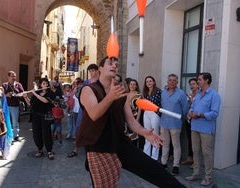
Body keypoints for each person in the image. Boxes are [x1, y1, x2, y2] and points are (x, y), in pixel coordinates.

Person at [76, 57, 186, 188]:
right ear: (100, 68)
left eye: (116, 65)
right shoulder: (88, 89)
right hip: (98, 147)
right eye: (110, 63)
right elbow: (94, 114)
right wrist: (110, 97)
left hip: (119, 142)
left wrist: (145, 132)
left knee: (154, 170)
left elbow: (131, 121)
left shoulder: (121, 93)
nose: (114, 66)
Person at [185, 72, 221, 186]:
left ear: (206, 80)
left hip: (206, 129)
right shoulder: (198, 94)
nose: (198, 81)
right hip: (194, 127)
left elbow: (214, 113)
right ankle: (196, 173)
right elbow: (192, 106)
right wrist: (190, 111)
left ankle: (208, 177)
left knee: (206, 153)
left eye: (199, 79)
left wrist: (200, 115)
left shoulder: (214, 95)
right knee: (195, 151)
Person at [160, 73, 189, 175]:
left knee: (176, 145)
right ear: (167, 81)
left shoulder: (181, 94)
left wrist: (181, 118)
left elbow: (185, 109)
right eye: (170, 80)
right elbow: (161, 106)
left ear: (177, 82)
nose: (172, 82)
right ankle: (163, 163)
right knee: (165, 144)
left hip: (175, 124)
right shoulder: (163, 93)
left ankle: (176, 165)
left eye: (174, 80)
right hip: (164, 123)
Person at [68, 64, 99, 158]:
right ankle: (76, 148)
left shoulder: (100, 82)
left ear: (97, 71)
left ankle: (94, 150)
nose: (92, 73)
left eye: (93, 71)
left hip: (96, 108)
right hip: (84, 108)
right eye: (90, 71)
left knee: (94, 128)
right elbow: (79, 95)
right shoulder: (86, 82)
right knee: (79, 127)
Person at [24, 78, 55, 160]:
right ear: (40, 85)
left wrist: (35, 93)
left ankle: (49, 151)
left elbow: (45, 101)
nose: (45, 85)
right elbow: (30, 104)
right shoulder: (37, 93)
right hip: (36, 116)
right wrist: (25, 97)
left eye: (46, 83)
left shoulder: (50, 93)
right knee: (36, 133)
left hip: (45, 116)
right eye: (43, 83)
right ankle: (40, 149)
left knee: (46, 133)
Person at [142, 76, 162, 160]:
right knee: (147, 133)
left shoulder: (158, 91)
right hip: (146, 113)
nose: (149, 83)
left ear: (153, 82)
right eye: (147, 82)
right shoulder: (145, 92)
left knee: (155, 134)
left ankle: (154, 157)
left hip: (155, 113)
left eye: (150, 81)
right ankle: (146, 155)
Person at [181, 78, 199, 167]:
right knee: (190, 139)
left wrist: (192, 101)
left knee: (196, 141)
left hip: (196, 120)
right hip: (188, 120)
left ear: (198, 85)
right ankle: (190, 158)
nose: (192, 86)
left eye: (193, 84)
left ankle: (196, 161)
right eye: (190, 84)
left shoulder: (200, 95)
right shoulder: (189, 95)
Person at [2, 71, 24, 141]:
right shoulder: (4, 85)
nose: (13, 78)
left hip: (15, 106)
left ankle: (15, 135)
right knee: (6, 121)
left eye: (14, 76)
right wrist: (6, 95)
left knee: (15, 122)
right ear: (8, 77)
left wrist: (19, 95)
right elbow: (1, 95)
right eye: (12, 76)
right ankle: (7, 135)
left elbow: (23, 93)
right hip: (6, 106)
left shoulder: (18, 85)